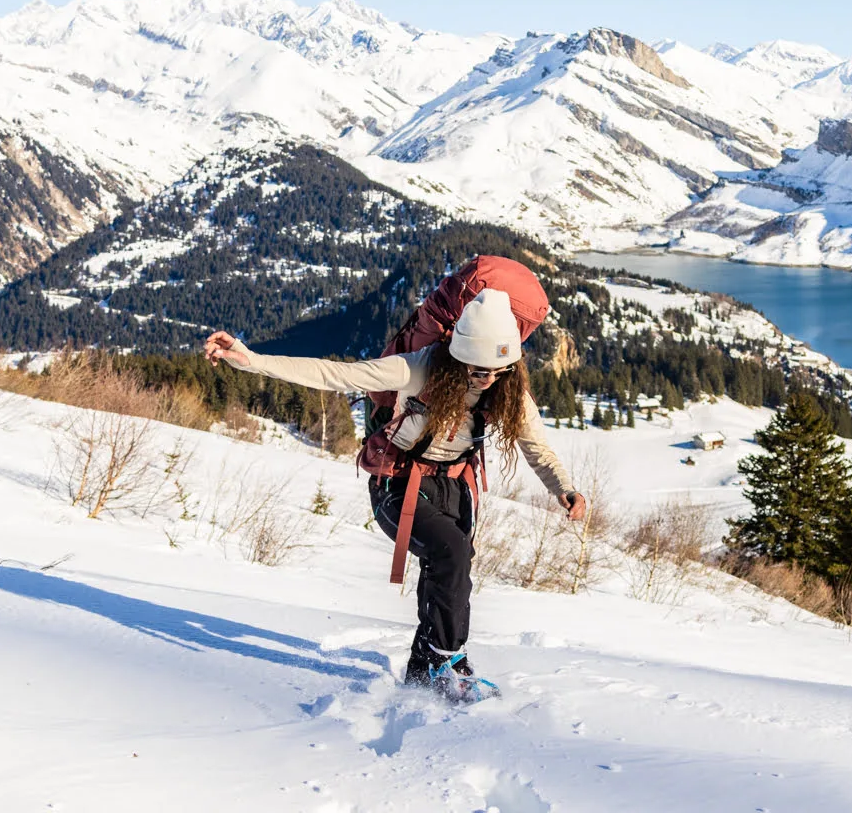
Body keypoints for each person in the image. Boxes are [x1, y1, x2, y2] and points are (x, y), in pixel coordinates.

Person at [203, 288, 586, 699]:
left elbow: (537, 447)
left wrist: (564, 489)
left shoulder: (508, 389)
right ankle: (447, 660)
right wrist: (252, 360)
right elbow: (338, 374)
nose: (486, 378)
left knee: (451, 570)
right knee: (450, 553)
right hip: (399, 483)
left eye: (496, 369)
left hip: (456, 486)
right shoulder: (419, 369)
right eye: (476, 370)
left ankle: (426, 669)